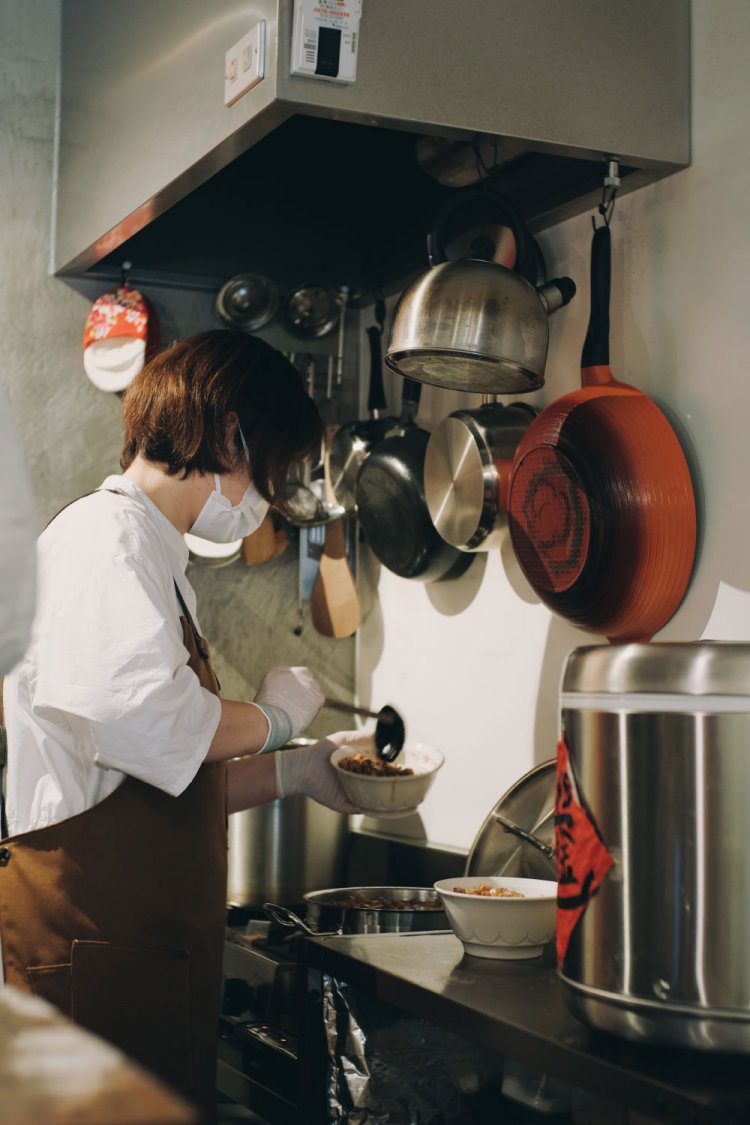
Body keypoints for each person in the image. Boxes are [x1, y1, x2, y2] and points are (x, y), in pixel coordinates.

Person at [0, 329, 365, 1121]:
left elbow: (159, 780)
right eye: (276, 468)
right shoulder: (105, 542)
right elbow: (148, 722)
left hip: (135, 956)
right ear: (233, 435)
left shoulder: (152, 556)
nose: (273, 496)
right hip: (91, 956)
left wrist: (296, 768)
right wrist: (274, 718)